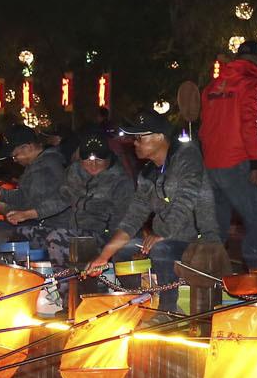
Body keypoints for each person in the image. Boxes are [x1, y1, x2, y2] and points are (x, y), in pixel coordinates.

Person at [85, 112, 222, 309]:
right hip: (166, 238)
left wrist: (162, 233)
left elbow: (186, 199)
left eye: (140, 138)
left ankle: (168, 311)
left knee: (162, 249)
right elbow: (133, 217)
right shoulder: (149, 173)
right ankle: (139, 304)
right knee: (123, 249)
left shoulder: (187, 156)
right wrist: (104, 256)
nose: (135, 143)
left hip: (198, 241)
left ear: (159, 137)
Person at [201, 40, 257, 267]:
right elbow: (251, 124)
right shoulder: (251, 84)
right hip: (237, 161)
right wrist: (256, 164)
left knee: (217, 226)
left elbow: (205, 126)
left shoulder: (213, 85)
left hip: (211, 163)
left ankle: (206, 278)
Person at [45, 129, 133, 267]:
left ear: (108, 158)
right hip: (73, 230)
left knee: (57, 238)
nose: (93, 164)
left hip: (102, 236)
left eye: (99, 159)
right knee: (25, 233)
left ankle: (65, 286)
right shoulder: (74, 172)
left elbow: (124, 224)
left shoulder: (120, 181)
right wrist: (30, 213)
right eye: (87, 160)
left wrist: (107, 251)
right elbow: (61, 199)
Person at [0, 124, 69, 235]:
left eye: (15, 156)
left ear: (27, 148)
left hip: (54, 231)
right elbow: (26, 195)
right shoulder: (37, 164)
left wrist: (6, 209)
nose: (15, 160)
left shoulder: (44, 167)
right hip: (48, 229)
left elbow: (35, 204)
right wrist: (1, 194)